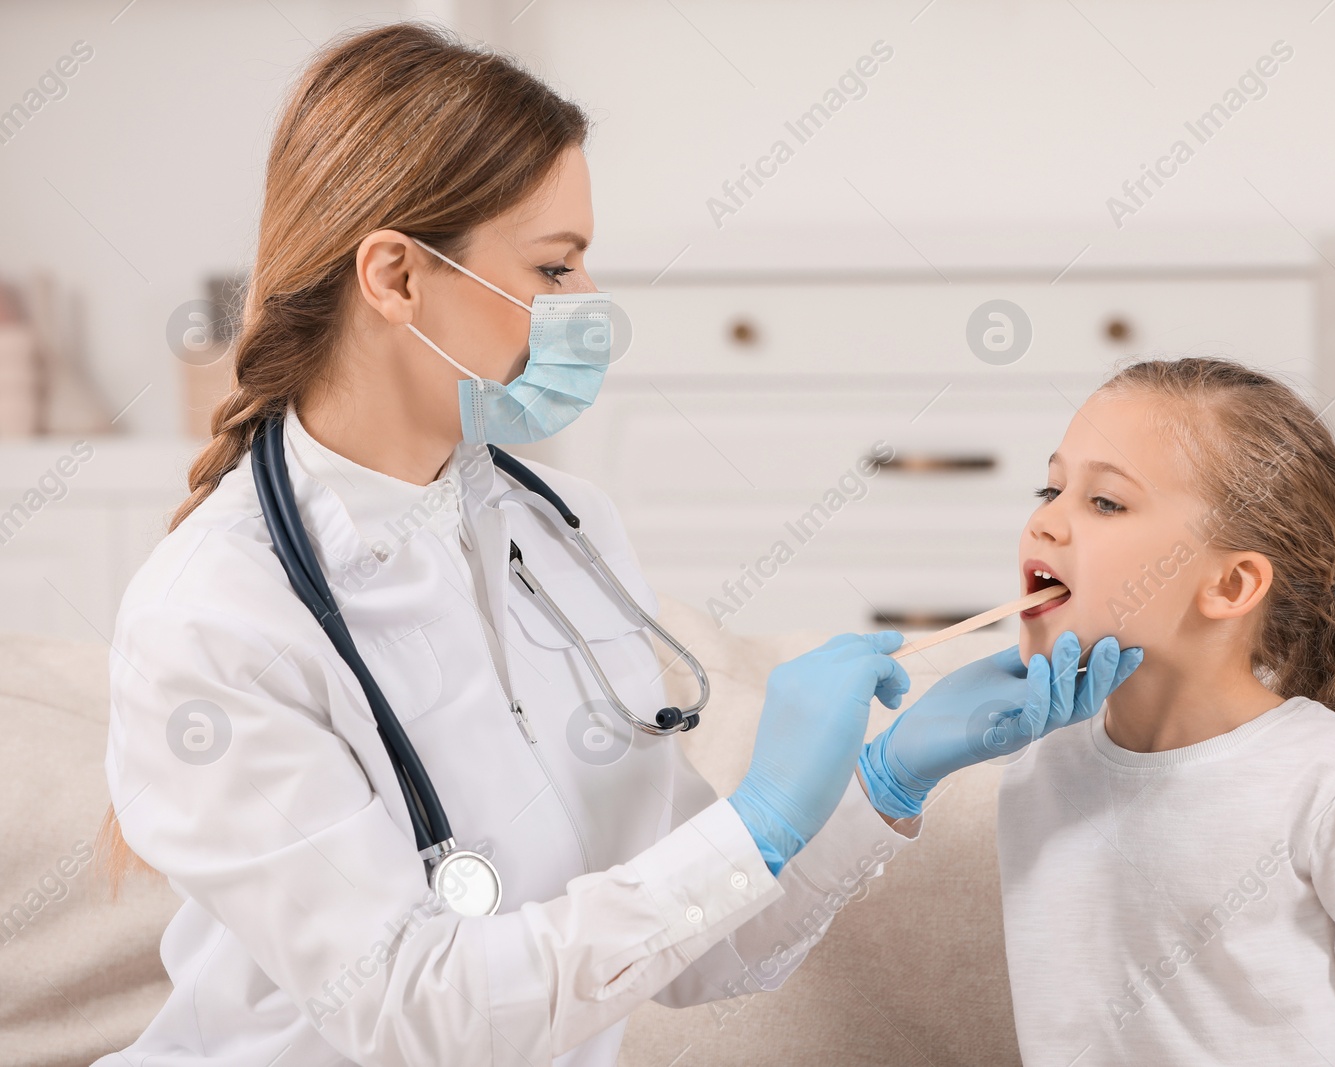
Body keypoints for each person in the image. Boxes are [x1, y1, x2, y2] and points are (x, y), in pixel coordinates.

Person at [94, 23, 1140, 1066]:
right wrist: (760, 817)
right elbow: (421, 1012)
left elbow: (690, 942)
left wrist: (881, 780)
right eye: (553, 268)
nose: (587, 307)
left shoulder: (564, 528)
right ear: (396, 279)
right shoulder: (216, 615)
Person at [991, 356, 1335, 1065]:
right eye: (1052, 486)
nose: (1045, 521)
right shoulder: (1035, 769)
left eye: (1105, 502)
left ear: (1230, 583)